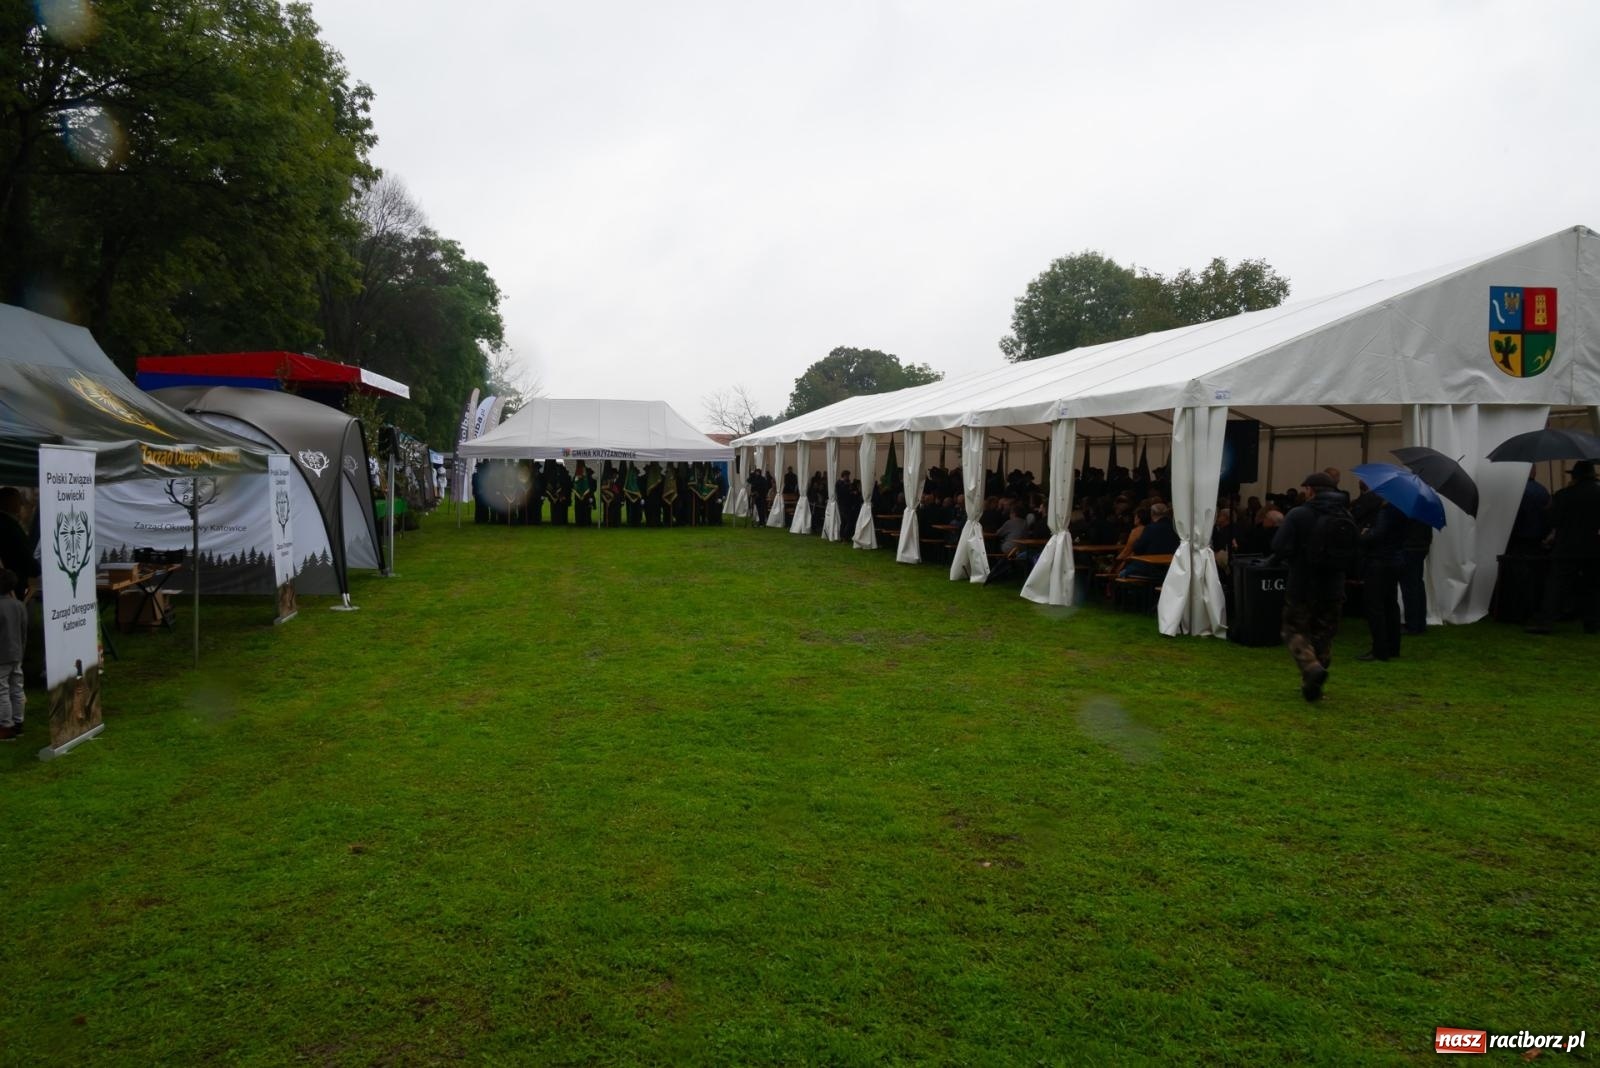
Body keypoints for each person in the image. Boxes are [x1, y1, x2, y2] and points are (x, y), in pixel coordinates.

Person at [1269, 472, 1357, 701]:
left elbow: (1279, 545)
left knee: (1294, 629)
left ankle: (1311, 668)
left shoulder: (1299, 514)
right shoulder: (1346, 514)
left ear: (1311, 490)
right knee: (1323, 635)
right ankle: (1313, 685)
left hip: (1302, 584)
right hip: (1334, 586)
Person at [1527, 460, 1600, 634]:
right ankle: (1592, 623)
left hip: (1567, 547)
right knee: (1593, 587)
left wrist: (1550, 508)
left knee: (1556, 586)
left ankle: (1546, 622)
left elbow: (1553, 521)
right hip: (1593, 548)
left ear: (1575, 477)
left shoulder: (1563, 495)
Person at [1358, 498, 1407, 661]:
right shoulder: (1402, 511)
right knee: (1390, 605)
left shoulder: (1386, 512)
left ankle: (1379, 650)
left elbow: (1378, 535)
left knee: (1375, 607)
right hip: (1395, 561)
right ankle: (1393, 647)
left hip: (1379, 562)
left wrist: (1364, 535)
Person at [0, 569, 25, 740]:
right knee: (17, 687)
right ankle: (18, 722)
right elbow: (24, 631)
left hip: (2, 655)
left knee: (2, 690)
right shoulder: (19, 605)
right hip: (17, 653)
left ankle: (5, 726)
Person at [1399, 518, 1432, 635]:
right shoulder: (1424, 508)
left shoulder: (1407, 511)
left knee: (1410, 588)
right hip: (1420, 547)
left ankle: (1412, 625)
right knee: (1417, 585)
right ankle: (1420, 623)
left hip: (1409, 548)